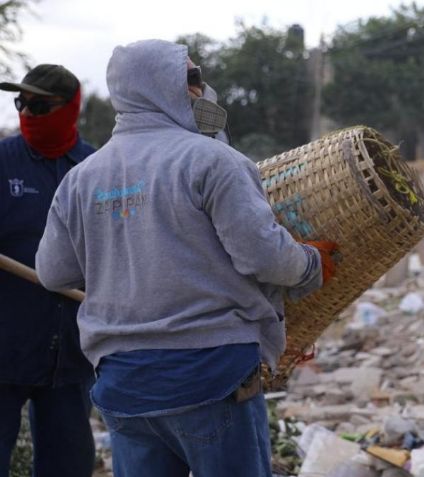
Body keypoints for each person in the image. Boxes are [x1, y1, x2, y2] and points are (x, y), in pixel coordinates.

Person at [35, 39, 335, 477]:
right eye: (192, 78)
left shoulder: (82, 179)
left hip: (125, 390)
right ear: (162, 86)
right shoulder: (214, 161)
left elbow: (52, 272)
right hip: (210, 379)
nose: (202, 89)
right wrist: (310, 264)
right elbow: (264, 256)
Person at [0, 65, 96, 476]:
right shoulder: (2, 163)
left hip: (72, 354)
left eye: (39, 105)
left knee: (69, 465)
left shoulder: (94, 169)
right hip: (5, 349)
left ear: (70, 108)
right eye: (21, 103)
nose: (28, 113)